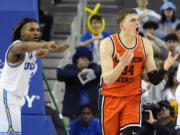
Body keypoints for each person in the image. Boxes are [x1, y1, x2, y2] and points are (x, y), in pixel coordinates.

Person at [99, 8, 178, 135]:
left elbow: (154, 79)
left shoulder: (145, 44)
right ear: (122, 25)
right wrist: (122, 64)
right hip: (111, 98)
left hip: (132, 98)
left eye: (138, 20)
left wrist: (165, 67)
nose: (137, 23)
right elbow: (107, 79)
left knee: (130, 133)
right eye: (133, 20)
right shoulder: (108, 43)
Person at [0, 18, 68, 134]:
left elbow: (65, 46)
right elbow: (22, 47)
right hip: (7, 96)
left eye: (37, 30)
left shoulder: (35, 51)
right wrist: (45, 44)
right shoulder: (16, 46)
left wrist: (49, 49)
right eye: (31, 30)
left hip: (17, 99)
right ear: (22, 32)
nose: (36, 32)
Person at [57, 46, 101, 121]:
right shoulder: (70, 68)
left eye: (87, 58)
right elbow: (60, 74)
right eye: (82, 57)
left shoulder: (93, 67)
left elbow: (100, 71)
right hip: (74, 112)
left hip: (92, 112)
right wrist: (79, 73)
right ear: (77, 59)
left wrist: (88, 72)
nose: (85, 60)